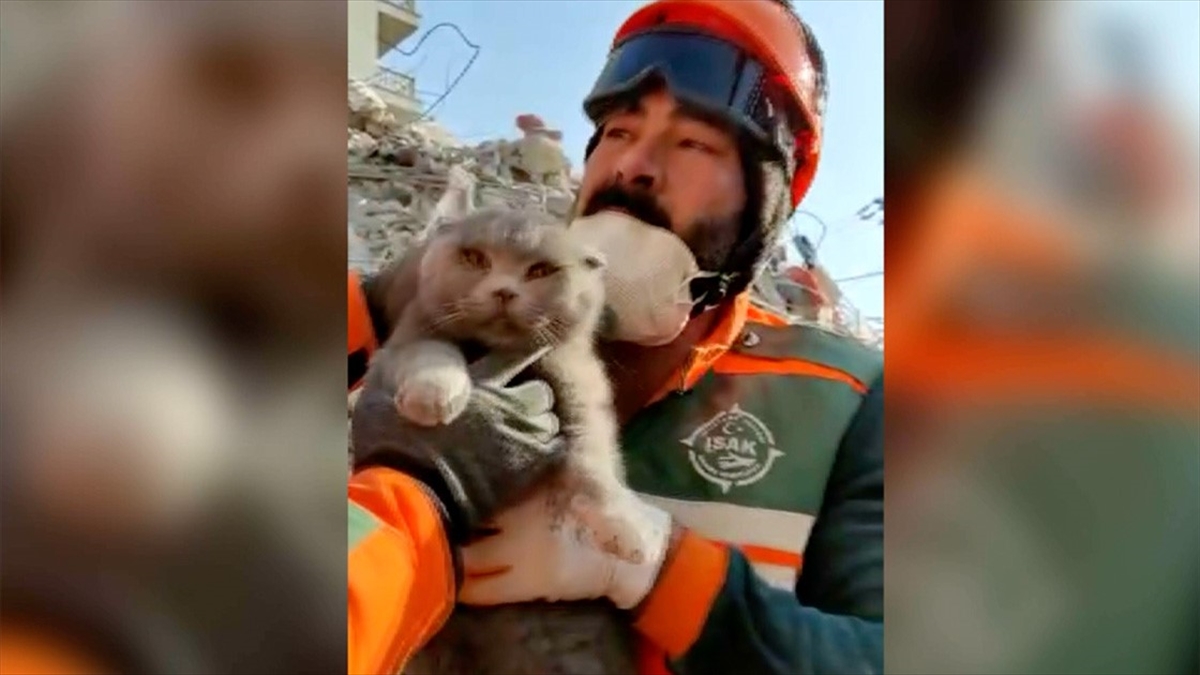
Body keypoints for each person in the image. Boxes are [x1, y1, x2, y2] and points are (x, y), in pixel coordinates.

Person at [347, 1, 883, 674]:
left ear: (769, 196)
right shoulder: (459, 311)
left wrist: (655, 569)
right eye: (620, 130)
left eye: (694, 142)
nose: (635, 166)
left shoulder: (850, 399)